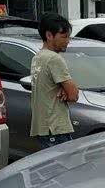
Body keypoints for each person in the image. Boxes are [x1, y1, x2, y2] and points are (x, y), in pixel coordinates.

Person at [30, 13, 79, 149]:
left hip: (42, 127)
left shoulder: (37, 57)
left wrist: (63, 88)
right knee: (65, 162)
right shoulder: (54, 58)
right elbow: (74, 95)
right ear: (49, 35)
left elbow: (48, 87)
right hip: (56, 127)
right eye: (64, 36)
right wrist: (68, 89)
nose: (68, 41)